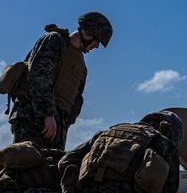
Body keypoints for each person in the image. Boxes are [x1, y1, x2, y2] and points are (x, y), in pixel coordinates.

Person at [9, 11, 112, 151]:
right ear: (88, 32)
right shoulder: (54, 40)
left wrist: (61, 125)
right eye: (97, 40)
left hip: (57, 127)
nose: (96, 45)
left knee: (51, 170)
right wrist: (48, 114)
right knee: (27, 166)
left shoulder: (81, 66)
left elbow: (74, 101)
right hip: (33, 117)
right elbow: (39, 77)